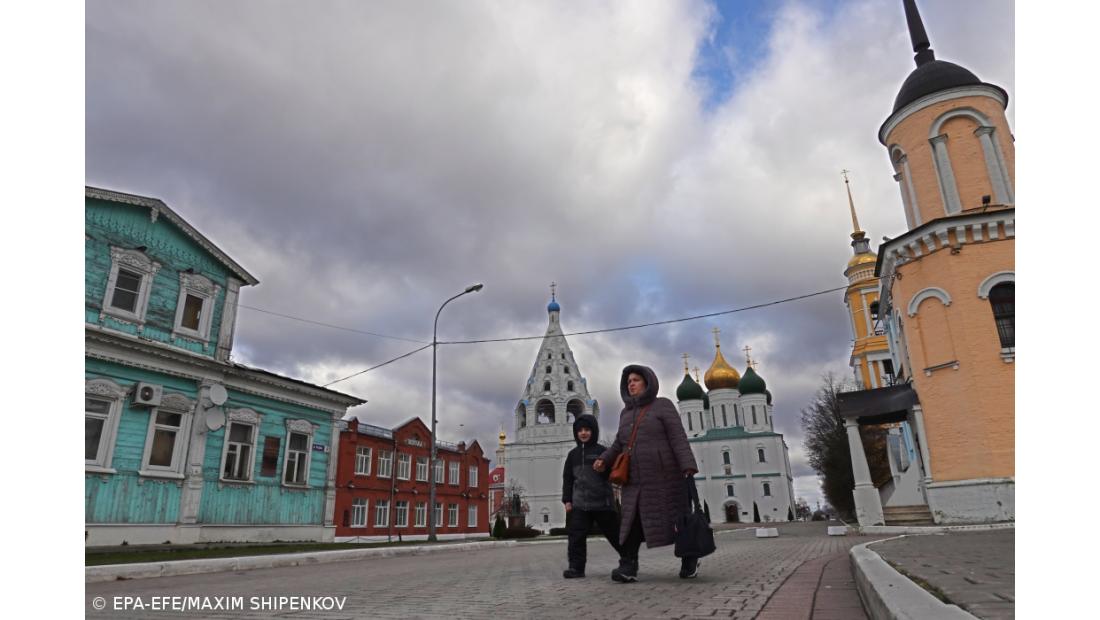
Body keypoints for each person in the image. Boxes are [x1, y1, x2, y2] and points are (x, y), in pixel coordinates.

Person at [594, 365, 699, 582]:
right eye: (628, 381)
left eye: (636, 380)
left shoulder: (663, 406)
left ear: (648, 382)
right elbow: (619, 444)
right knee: (631, 523)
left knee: (677, 520)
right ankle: (628, 566)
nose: (631, 384)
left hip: (665, 478)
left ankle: (689, 558)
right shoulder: (625, 413)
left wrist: (687, 465)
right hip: (634, 480)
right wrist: (604, 459)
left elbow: (678, 437)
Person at [560, 414, 622, 578]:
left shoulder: (602, 451)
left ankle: (629, 559)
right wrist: (567, 500)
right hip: (581, 504)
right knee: (576, 537)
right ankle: (576, 568)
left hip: (602, 502)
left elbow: (612, 473)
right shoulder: (572, 455)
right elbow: (568, 479)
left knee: (615, 534)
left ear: (593, 431)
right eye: (580, 430)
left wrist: (604, 470)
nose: (583, 433)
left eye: (587, 430)